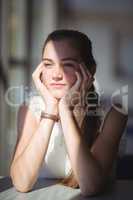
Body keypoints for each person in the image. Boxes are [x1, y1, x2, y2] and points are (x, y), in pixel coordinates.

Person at [10, 29, 128, 196]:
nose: (56, 75)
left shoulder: (114, 113)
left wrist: (65, 110)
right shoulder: (30, 109)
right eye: (48, 64)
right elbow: (22, 183)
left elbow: (90, 186)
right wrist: (51, 109)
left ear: (90, 70)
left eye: (68, 64)